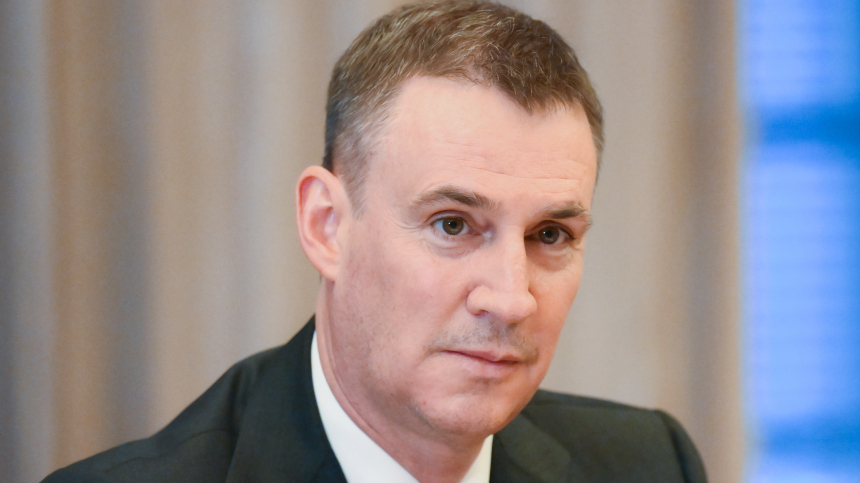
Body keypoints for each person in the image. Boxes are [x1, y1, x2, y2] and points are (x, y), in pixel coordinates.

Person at [43, 2, 707, 482]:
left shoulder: (649, 463)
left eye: (550, 234)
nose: (511, 299)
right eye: (452, 224)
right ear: (327, 225)